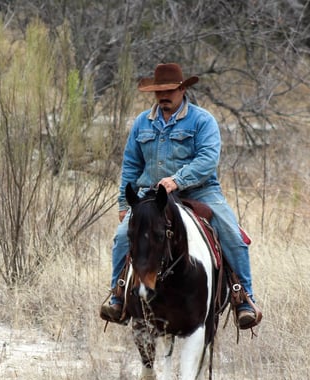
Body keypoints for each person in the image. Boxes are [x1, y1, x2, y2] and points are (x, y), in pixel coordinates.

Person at [100, 63, 262, 330]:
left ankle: (242, 297)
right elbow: (130, 164)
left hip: (200, 191)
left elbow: (208, 159)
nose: (164, 96)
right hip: (152, 196)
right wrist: (123, 202)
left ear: (182, 89)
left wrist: (177, 180)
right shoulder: (142, 122)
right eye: (159, 91)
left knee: (232, 234)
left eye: (169, 90)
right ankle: (118, 295)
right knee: (121, 237)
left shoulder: (202, 120)